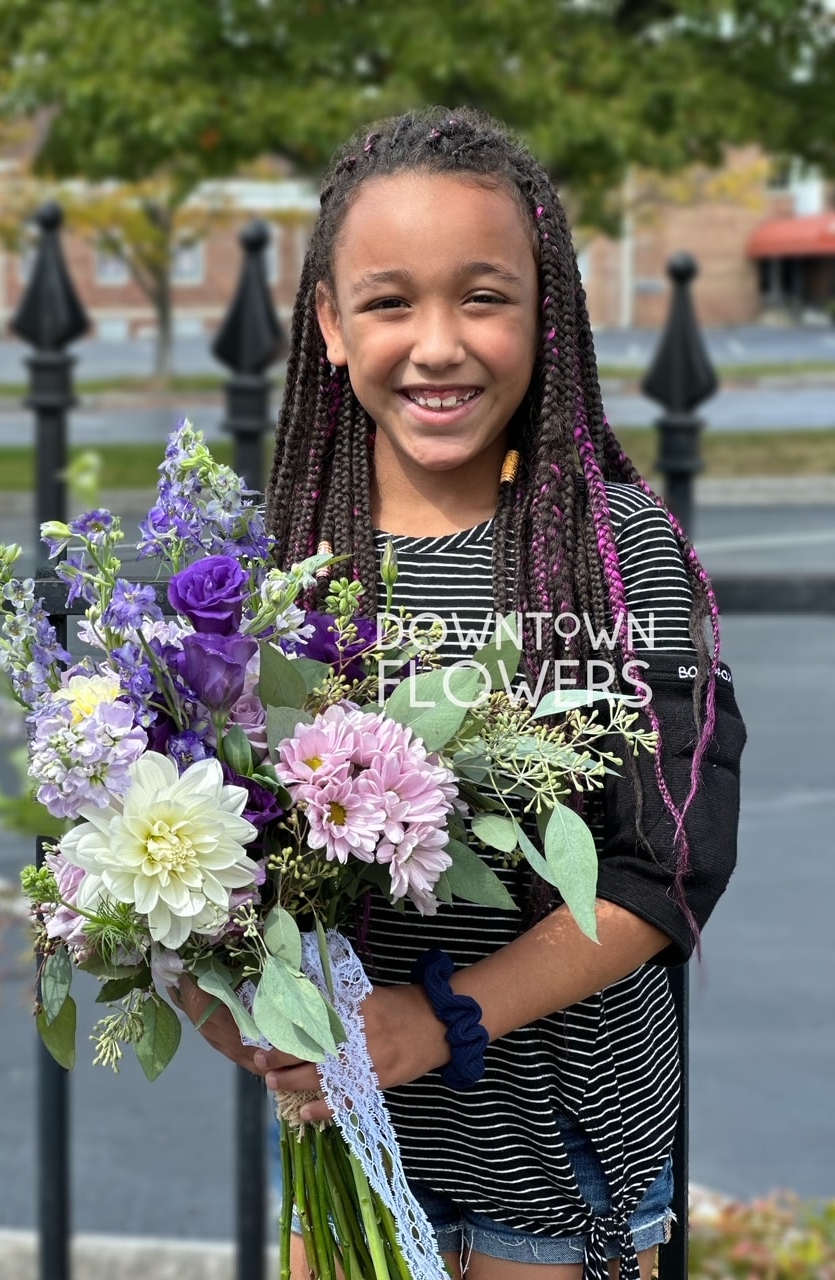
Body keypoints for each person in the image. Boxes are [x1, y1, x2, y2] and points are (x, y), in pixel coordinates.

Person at [177, 106, 745, 1280]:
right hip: (359, 1163)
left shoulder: (617, 555)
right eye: (390, 302)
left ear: (548, 318)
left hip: (559, 1171)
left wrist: (442, 1016)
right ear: (331, 324)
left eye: (484, 296)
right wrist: (231, 1011)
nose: (439, 343)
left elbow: (665, 868)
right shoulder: (278, 572)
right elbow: (202, 849)